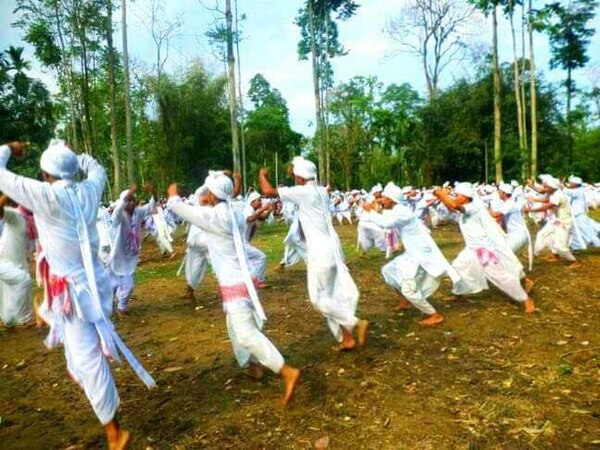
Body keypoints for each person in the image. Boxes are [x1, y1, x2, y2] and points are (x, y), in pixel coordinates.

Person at [0, 140, 154, 450]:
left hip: (74, 295)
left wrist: (8, 148)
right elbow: (98, 168)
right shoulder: (90, 189)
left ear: (45, 175)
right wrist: (77, 157)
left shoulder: (44, 196)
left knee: (88, 359)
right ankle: (100, 401)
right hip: (95, 285)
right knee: (79, 355)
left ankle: (115, 432)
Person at [167, 172, 300, 405]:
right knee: (237, 329)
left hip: (235, 285)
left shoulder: (213, 217)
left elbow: (178, 207)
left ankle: (286, 370)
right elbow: (207, 198)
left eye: (207, 191)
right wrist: (212, 187)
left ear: (212, 195)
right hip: (245, 281)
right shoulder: (234, 210)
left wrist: (172, 193)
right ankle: (253, 365)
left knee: (246, 334)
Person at [259, 158, 368, 352]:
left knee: (318, 299)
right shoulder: (320, 191)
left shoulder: (304, 192)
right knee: (333, 296)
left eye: (295, 176)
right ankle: (347, 339)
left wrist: (262, 175)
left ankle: (355, 323)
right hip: (334, 249)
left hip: (320, 252)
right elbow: (300, 181)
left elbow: (268, 191)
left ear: (300, 178)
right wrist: (295, 169)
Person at [361, 183, 460, 325]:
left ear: (392, 199)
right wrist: (374, 210)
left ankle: (434, 314)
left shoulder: (402, 212)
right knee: (388, 271)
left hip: (419, 255)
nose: (381, 200)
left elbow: (386, 223)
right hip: (412, 252)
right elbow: (383, 216)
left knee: (409, 289)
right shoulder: (397, 209)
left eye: (384, 198)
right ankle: (404, 302)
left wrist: (371, 212)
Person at [434, 182, 535, 314]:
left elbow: (454, 205)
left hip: (483, 251)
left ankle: (526, 299)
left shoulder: (472, 207)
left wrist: (443, 194)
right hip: (471, 250)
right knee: (458, 268)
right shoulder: (465, 206)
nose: (456, 197)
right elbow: (453, 207)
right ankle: (458, 294)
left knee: (500, 277)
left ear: (465, 197)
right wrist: (441, 197)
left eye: (457, 195)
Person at [107, 183, 156, 315]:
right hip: (117, 256)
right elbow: (117, 211)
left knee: (128, 286)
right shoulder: (119, 216)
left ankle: (121, 307)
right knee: (111, 285)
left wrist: (153, 193)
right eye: (128, 201)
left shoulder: (138, 213)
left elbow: (151, 207)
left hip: (130, 256)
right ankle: (109, 305)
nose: (131, 204)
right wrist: (128, 194)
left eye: (133, 200)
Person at [525, 177, 580, 268]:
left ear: (552, 187)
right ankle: (551, 255)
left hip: (563, 222)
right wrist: (535, 197)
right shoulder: (553, 192)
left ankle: (574, 261)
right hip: (556, 220)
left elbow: (547, 206)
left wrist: (530, 209)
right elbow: (545, 197)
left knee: (560, 246)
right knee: (542, 234)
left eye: (546, 187)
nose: (544, 189)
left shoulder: (558, 195)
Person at [0, 194, 33, 326]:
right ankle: (23, 320)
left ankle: (11, 320)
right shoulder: (16, 215)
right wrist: (8, 192)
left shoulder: (36, 223)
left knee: (7, 317)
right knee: (23, 280)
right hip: (3, 262)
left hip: (19, 263)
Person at [564, 176, 600, 250]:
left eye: (571, 183)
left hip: (579, 216)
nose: (570, 184)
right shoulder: (577, 190)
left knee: (589, 232)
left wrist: (560, 186)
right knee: (575, 232)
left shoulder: (578, 191)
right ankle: (576, 246)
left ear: (575, 184)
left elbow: (567, 191)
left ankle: (597, 244)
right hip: (576, 216)